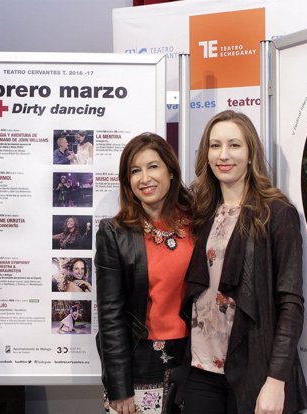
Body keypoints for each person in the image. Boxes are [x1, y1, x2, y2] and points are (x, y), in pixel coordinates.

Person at [178, 110, 307, 414]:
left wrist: (276, 380)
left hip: (253, 370)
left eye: (234, 145)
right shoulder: (203, 210)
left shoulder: (276, 213)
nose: (224, 155)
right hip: (200, 367)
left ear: (251, 153)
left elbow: (290, 303)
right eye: (215, 145)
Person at [95, 133, 194, 414]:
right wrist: (119, 388)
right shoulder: (114, 232)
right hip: (138, 363)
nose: (144, 178)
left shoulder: (198, 222)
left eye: (153, 166)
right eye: (135, 171)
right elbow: (110, 316)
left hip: (193, 360)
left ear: (171, 172)